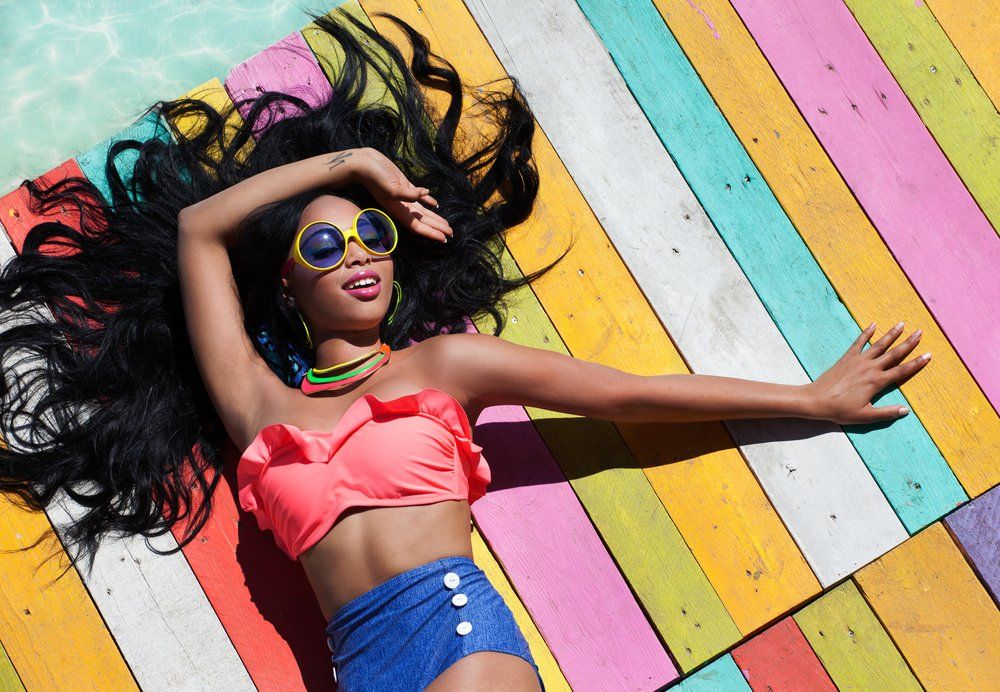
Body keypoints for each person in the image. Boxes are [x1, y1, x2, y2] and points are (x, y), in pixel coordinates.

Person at [0, 8, 927, 691]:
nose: (358, 253)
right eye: (324, 246)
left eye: (372, 232)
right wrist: (352, 166)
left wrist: (811, 400)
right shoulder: (257, 407)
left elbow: (627, 393)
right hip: (360, 662)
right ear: (288, 286)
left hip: (456, 634)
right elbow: (201, 229)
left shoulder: (444, 366)